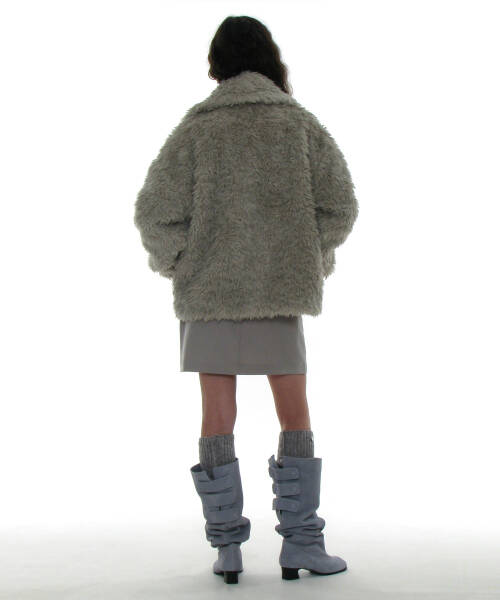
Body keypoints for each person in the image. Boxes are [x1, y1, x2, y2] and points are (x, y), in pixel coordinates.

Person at [134, 15, 358, 585]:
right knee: (295, 411)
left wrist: (180, 263)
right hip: (279, 290)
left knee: (216, 416)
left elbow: (154, 212)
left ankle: (228, 549)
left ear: (217, 64)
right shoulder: (297, 124)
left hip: (209, 293)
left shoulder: (197, 128)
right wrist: (307, 255)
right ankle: (302, 543)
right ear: (268, 58)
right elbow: (340, 206)